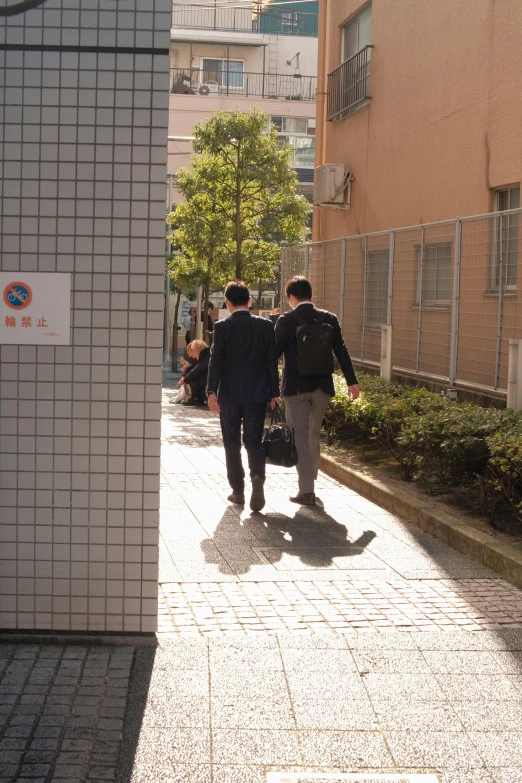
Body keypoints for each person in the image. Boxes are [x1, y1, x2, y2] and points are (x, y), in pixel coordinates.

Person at [275, 276, 360, 505]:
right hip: (323, 387)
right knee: (313, 434)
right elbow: (341, 352)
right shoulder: (329, 318)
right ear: (311, 295)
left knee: (300, 436)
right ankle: (309, 482)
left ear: (291, 297)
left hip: (295, 387)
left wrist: (268, 386)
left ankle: (306, 490)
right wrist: (352, 382)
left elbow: (272, 355)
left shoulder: (287, 320)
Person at [206, 281, 280, 512]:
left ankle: (238, 490)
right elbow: (271, 362)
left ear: (227, 303)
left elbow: (215, 361)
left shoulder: (221, 327)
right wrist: (274, 393)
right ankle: (257, 476)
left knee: (231, 442)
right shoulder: (265, 326)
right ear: (250, 301)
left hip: (229, 394)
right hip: (257, 393)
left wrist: (210, 392)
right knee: (253, 441)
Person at [178, 339, 210, 406]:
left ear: (195, 350)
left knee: (197, 376)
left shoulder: (207, 357)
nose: (191, 356)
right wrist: (184, 376)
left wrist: (186, 379)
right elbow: (190, 368)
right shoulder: (200, 357)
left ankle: (198, 398)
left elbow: (198, 369)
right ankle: (196, 398)